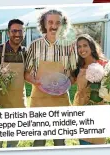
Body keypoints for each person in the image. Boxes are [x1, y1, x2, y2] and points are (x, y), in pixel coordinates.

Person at [24, 9, 77, 147]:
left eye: (58, 23)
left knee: (60, 141)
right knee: (39, 141)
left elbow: (73, 73)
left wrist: (66, 84)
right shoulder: (34, 46)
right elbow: (26, 73)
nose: (54, 26)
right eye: (50, 22)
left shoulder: (69, 47)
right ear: (44, 24)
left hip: (60, 98)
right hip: (39, 97)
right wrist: (35, 82)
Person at [0, 19, 26, 148]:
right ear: (8, 33)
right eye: (14, 31)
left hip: (18, 104)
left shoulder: (26, 53)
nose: (17, 34)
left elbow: (31, 74)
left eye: (20, 31)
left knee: (13, 145)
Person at [71, 34, 107, 145]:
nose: (82, 49)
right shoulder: (77, 66)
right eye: (79, 46)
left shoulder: (103, 64)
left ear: (91, 46)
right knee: (84, 142)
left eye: (85, 45)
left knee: (99, 142)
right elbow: (67, 82)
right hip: (81, 106)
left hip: (98, 105)